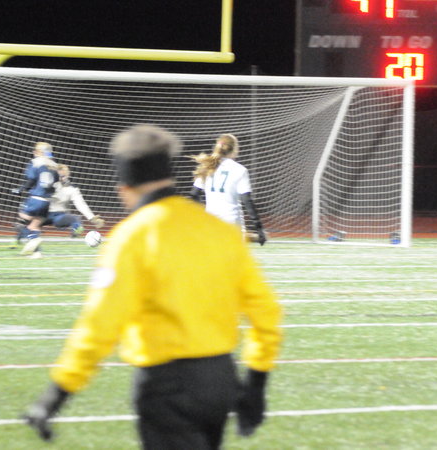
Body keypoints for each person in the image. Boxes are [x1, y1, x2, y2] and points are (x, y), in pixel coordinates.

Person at [23, 125, 282, 449]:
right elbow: (266, 312)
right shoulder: (219, 231)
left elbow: (100, 325)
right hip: (219, 379)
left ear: (124, 187)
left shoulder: (131, 237)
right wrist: (256, 384)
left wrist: (56, 394)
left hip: (165, 384)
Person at [189, 134, 267, 245]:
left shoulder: (207, 167)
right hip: (232, 223)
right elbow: (247, 200)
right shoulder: (240, 170)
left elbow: (194, 195)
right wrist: (258, 227)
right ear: (235, 149)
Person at [15, 164, 105, 243]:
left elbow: (81, 205)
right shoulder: (47, 185)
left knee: (75, 219)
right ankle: (24, 240)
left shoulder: (72, 189)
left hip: (59, 216)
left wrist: (92, 218)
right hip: (43, 215)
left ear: (68, 175)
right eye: (59, 176)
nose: (61, 178)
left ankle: (75, 235)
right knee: (23, 224)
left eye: (63, 176)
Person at [11, 142, 59, 257]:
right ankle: (37, 253)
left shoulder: (36, 162)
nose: (34, 152)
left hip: (36, 199)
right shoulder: (54, 165)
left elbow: (31, 179)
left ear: (40, 152)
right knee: (34, 226)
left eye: (35, 150)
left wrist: (21, 189)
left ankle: (33, 239)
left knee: (20, 223)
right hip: (47, 201)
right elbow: (56, 182)